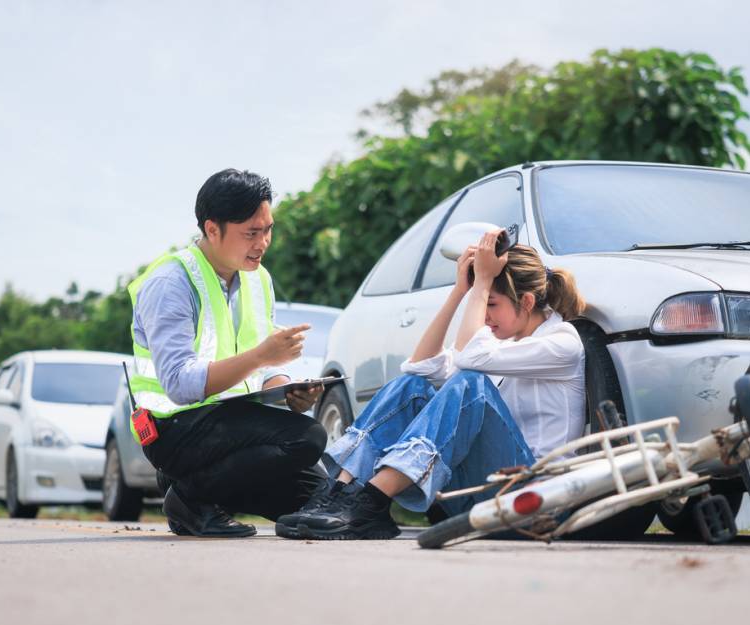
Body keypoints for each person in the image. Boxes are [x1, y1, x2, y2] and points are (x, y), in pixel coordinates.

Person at [276, 229, 587, 540]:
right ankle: (341, 493)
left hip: (534, 501)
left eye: (491, 304)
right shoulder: (496, 347)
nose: (485, 317)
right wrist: (459, 291)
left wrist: (481, 283)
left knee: (471, 384)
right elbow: (421, 366)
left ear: (528, 301)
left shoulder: (561, 343)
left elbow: (470, 359)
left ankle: (370, 501)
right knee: (411, 385)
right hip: (484, 493)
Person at [129, 169, 327, 537]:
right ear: (212, 229)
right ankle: (188, 497)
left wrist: (288, 390)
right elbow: (179, 384)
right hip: (173, 427)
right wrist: (261, 357)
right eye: (251, 233)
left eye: (267, 229)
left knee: (321, 498)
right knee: (307, 437)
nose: (263, 242)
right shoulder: (170, 283)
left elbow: (266, 366)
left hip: (231, 423)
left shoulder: (258, 278)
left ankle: (198, 491)